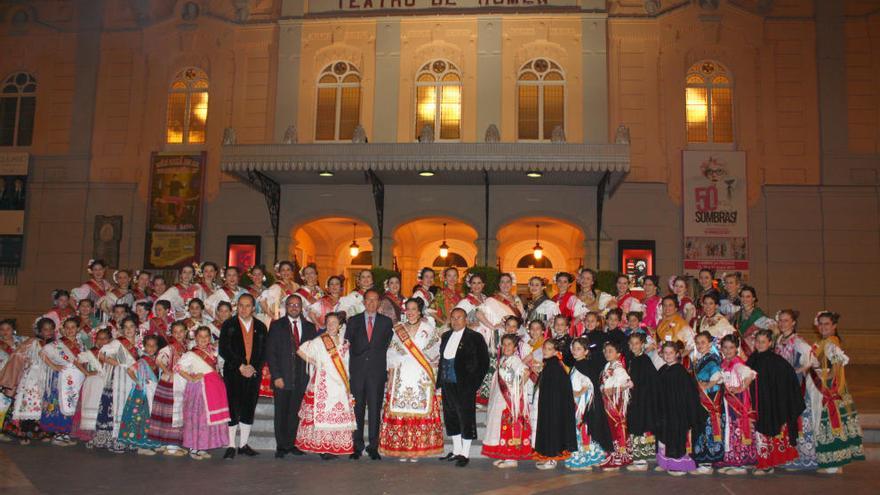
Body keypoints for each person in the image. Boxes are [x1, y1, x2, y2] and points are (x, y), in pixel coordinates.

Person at [379, 298, 444, 461]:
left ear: (419, 311)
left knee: (419, 409)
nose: (410, 312)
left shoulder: (428, 329)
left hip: (421, 374)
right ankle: (402, 447)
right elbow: (391, 351)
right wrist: (393, 367)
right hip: (402, 373)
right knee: (401, 409)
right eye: (408, 309)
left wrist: (429, 365)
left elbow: (436, 350)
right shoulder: (398, 330)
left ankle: (417, 448)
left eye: (414, 309)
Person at [295, 312, 356, 460]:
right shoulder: (319, 341)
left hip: (340, 383)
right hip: (324, 382)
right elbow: (300, 351)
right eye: (328, 322)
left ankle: (333, 445)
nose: (330, 325)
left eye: (334, 322)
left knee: (336, 413)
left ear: (340, 325)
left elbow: (346, 363)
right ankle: (322, 447)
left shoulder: (345, 342)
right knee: (323, 413)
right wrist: (316, 363)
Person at [811, 311, 865, 473]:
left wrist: (822, 375)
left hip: (830, 388)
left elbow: (837, 367)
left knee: (831, 422)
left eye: (826, 324)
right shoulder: (823, 342)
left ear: (834, 326)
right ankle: (832, 462)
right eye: (820, 324)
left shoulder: (831, 343)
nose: (823, 327)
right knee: (827, 423)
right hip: (825, 385)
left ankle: (835, 464)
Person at [746, 329, 804, 475]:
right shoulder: (753, 358)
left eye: (763, 342)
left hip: (770, 405)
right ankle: (761, 462)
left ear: (770, 343)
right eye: (757, 341)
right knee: (759, 435)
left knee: (766, 434)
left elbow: (788, 381)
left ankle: (767, 465)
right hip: (756, 404)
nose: (759, 344)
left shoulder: (777, 362)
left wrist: (779, 401)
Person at [345, 288, 394, 460]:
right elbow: (346, 344)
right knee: (357, 409)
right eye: (369, 300)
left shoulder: (386, 322)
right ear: (364, 302)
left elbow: (389, 346)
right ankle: (356, 446)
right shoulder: (353, 321)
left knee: (374, 409)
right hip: (357, 372)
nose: (372, 303)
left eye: (375, 300)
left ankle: (373, 446)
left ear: (379, 303)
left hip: (376, 372)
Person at [266, 294, 317, 459]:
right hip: (282, 377)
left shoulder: (310, 327)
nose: (294, 307)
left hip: (302, 378)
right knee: (281, 412)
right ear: (286, 307)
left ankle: (293, 444)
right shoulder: (277, 325)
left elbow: (313, 352)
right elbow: (271, 353)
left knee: (296, 412)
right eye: (291, 305)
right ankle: (281, 446)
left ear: (301, 307)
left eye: (297, 305)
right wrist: (276, 376)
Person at [437, 307, 489, 467]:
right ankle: (456, 450)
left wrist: (473, 384)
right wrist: (439, 382)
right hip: (447, 383)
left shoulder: (475, 337)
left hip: (465, 385)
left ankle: (465, 453)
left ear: (465, 319)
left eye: (459, 317)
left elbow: (484, 362)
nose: (455, 321)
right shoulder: (445, 336)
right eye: (453, 318)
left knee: (465, 418)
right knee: (451, 417)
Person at [218, 293, 268, 459]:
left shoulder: (261, 326)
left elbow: (263, 352)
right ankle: (231, 445)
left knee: (248, 406)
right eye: (241, 305)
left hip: (253, 373)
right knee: (232, 407)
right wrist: (240, 365)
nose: (244, 309)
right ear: (236, 306)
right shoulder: (228, 325)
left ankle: (243, 444)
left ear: (253, 308)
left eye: (247, 306)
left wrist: (253, 367)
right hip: (233, 372)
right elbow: (224, 349)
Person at [774, 309, 819, 470]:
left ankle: (803, 458)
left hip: (795, 387)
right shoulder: (779, 339)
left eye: (786, 320)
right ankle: (788, 455)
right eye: (780, 320)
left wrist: (796, 371)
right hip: (783, 387)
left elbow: (812, 360)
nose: (782, 323)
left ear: (793, 323)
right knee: (786, 421)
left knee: (798, 420)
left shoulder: (798, 341)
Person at [654, 341, 705, 476]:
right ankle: (665, 462)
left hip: (677, 413)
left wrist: (683, 412)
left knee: (675, 437)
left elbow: (688, 395)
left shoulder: (680, 372)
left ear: (677, 354)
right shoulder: (662, 370)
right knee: (664, 437)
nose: (668, 355)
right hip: (664, 412)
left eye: (671, 353)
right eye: (665, 353)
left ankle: (679, 465)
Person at [178, 326, 231, 460]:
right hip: (199, 389)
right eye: (200, 336)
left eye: (206, 336)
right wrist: (191, 377)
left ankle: (202, 446)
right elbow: (178, 367)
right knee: (197, 418)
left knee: (206, 419)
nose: (203, 339)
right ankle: (193, 447)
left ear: (210, 337)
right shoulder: (191, 354)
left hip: (213, 388)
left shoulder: (213, 351)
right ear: (195, 338)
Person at [482, 333, 532, 468]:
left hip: (509, 401)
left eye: (509, 344)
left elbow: (526, 372)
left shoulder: (515, 360)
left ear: (515, 347)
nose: (506, 347)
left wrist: (516, 391)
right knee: (501, 428)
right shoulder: (504, 359)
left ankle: (511, 458)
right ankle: (504, 455)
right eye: (504, 344)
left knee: (509, 427)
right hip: (500, 398)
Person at [91, 317, 140, 453]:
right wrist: (116, 363)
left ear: (136, 328)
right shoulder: (118, 343)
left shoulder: (141, 344)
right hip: (119, 380)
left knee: (132, 408)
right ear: (122, 330)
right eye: (126, 327)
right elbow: (101, 354)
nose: (129, 329)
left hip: (134, 379)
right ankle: (117, 439)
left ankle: (130, 439)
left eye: (132, 326)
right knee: (118, 407)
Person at [39, 317, 86, 446]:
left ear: (77, 329)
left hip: (76, 378)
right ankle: (58, 435)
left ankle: (66, 433)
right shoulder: (57, 343)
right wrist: (55, 366)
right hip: (62, 377)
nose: (70, 330)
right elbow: (42, 353)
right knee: (61, 404)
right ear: (63, 330)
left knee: (72, 404)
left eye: (73, 327)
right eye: (68, 328)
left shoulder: (81, 344)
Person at [533, 338, 577, 470]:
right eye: (544, 348)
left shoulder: (554, 365)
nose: (545, 351)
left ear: (556, 351)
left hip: (553, 406)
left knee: (552, 430)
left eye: (549, 349)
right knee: (548, 429)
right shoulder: (550, 364)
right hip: (549, 404)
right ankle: (548, 456)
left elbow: (558, 389)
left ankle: (552, 458)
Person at [564, 337, 608, 471]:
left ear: (586, 351)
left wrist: (577, 394)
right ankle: (590, 457)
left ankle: (584, 461)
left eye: (578, 349)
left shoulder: (585, 366)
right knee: (582, 431)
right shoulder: (575, 366)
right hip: (578, 404)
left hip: (583, 406)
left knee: (583, 430)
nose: (574, 351)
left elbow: (589, 384)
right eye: (573, 348)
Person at [717, 334, 757, 475]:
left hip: (738, 402)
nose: (728, 351)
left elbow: (749, 375)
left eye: (731, 348)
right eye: (725, 347)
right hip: (727, 403)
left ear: (736, 349)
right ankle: (733, 460)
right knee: (730, 429)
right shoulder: (723, 363)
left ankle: (742, 463)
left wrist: (741, 388)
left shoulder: (737, 363)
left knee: (738, 429)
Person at [147, 321, 188, 457]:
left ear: (186, 332)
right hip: (170, 384)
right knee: (171, 413)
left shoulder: (185, 347)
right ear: (171, 333)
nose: (178, 334)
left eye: (181, 331)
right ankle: (170, 447)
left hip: (179, 383)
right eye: (175, 332)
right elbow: (159, 359)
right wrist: (168, 371)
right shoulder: (170, 348)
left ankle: (168, 444)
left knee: (171, 413)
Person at [117, 334, 162, 455]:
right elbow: (130, 370)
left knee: (152, 418)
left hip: (153, 391)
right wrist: (138, 381)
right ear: (144, 347)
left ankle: (153, 443)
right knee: (142, 418)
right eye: (148, 346)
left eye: (153, 346)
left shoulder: (156, 360)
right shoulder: (142, 360)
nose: (151, 348)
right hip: (142, 393)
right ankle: (141, 445)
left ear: (157, 347)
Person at [690, 331, 724, 474]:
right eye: (697, 343)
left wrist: (707, 386)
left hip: (710, 398)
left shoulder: (712, 359)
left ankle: (707, 463)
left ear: (710, 344)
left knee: (708, 428)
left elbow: (717, 376)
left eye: (703, 342)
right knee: (701, 426)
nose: (700, 345)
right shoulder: (700, 359)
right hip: (702, 398)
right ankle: (702, 459)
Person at [71, 328, 111, 443]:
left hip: (105, 384)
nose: (102, 341)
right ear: (95, 339)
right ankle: (88, 435)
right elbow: (76, 361)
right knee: (90, 408)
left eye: (105, 339)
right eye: (99, 338)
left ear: (109, 340)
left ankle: (99, 435)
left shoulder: (111, 353)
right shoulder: (90, 352)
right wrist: (87, 373)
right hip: (92, 384)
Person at [625, 332, 657, 471]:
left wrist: (634, 386)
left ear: (642, 345)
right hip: (635, 400)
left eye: (637, 343)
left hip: (642, 401)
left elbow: (649, 381)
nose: (634, 346)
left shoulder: (644, 360)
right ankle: (644, 456)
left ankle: (641, 461)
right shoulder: (632, 359)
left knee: (640, 427)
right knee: (637, 426)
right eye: (631, 343)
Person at [599, 341, 633, 469]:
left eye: (610, 351)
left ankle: (620, 457)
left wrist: (613, 390)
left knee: (617, 427)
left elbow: (629, 383)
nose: (607, 353)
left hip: (616, 403)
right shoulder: (608, 366)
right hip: (608, 401)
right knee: (611, 428)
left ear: (618, 354)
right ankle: (614, 455)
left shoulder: (619, 368)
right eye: (605, 351)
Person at [732, 286, 773, 356]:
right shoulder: (737, 315)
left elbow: (771, 334)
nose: (745, 299)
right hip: (739, 351)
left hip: (755, 352)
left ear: (753, 298)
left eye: (748, 297)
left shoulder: (759, 315)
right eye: (742, 296)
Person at [655, 295, 696, 363]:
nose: (667, 308)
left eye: (670, 305)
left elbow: (692, 344)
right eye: (664, 305)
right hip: (661, 360)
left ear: (676, 308)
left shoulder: (681, 324)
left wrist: (679, 357)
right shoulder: (661, 324)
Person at [554, 272, 588, 337]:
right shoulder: (554, 298)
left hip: (567, 331)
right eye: (559, 281)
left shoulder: (571, 298)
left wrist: (570, 325)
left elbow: (583, 312)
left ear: (569, 284)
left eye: (565, 282)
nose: (562, 284)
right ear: (556, 283)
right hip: (556, 330)